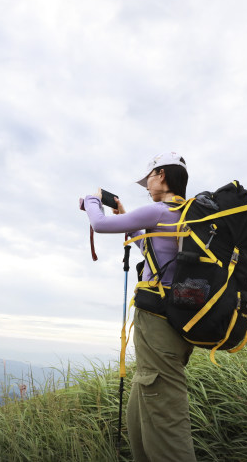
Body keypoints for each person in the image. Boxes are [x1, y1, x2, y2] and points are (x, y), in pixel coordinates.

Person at [81, 152, 197, 462]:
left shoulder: (159, 210)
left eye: (148, 179)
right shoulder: (187, 216)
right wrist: (128, 217)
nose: (146, 186)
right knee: (140, 413)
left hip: (159, 323)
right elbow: (152, 250)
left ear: (161, 175)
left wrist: (92, 199)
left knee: (167, 422)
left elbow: (100, 224)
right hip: (177, 321)